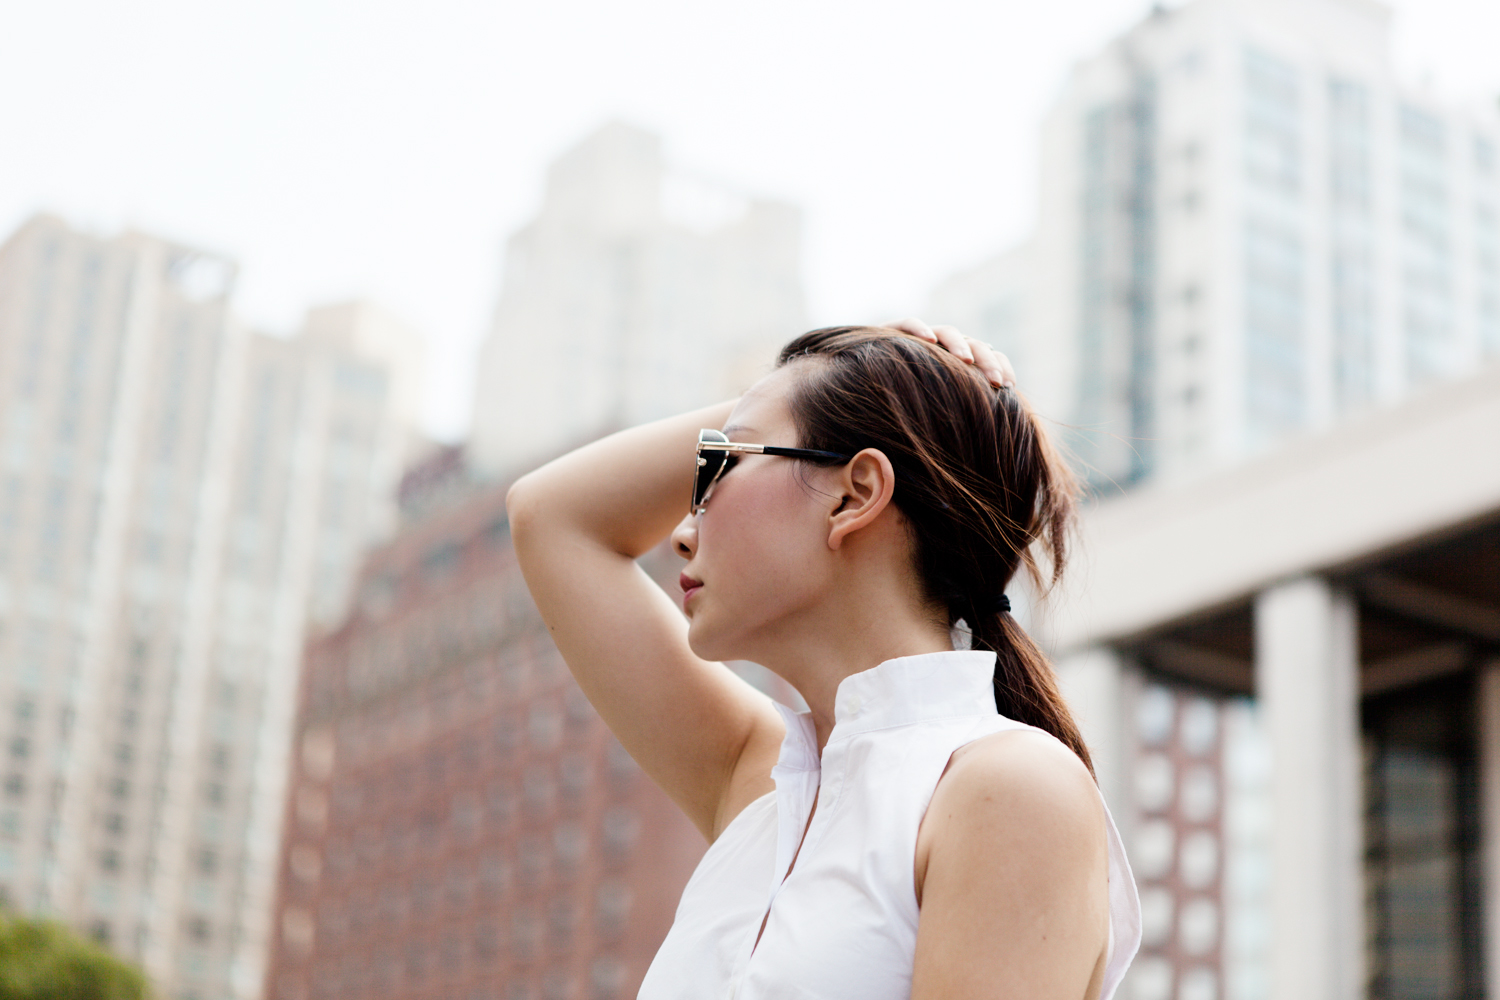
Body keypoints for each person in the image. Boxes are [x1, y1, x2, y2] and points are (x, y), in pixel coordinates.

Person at [506, 320, 1141, 999]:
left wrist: (855, 390)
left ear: (855, 493)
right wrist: (856, 383)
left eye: (722, 464)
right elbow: (548, 516)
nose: (682, 532)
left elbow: (556, 520)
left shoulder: (1008, 788)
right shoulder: (762, 784)